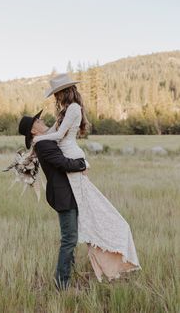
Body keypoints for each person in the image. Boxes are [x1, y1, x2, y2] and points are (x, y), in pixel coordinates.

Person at [33, 73, 141, 282]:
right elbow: (54, 132)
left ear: (64, 91)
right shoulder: (65, 111)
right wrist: (37, 141)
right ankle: (77, 269)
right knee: (82, 223)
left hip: (73, 158)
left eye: (57, 93)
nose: (56, 98)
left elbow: (57, 135)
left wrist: (38, 140)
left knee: (95, 214)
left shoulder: (73, 108)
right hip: (70, 162)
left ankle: (113, 247)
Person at [18, 110, 88, 290]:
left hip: (67, 192)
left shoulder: (46, 141)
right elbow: (64, 163)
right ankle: (62, 285)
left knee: (71, 237)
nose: (42, 121)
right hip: (63, 195)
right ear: (33, 131)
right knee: (69, 239)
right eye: (37, 120)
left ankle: (68, 277)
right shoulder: (44, 145)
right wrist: (83, 163)